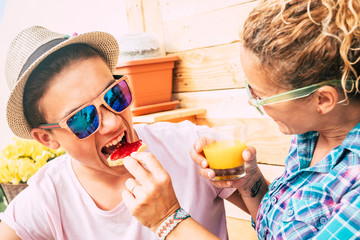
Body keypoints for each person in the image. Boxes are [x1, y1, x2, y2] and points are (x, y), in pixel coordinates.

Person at [122, 0, 360, 239]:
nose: (252, 101)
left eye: (261, 95)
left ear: (323, 100)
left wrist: (168, 220)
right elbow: (280, 229)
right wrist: (250, 183)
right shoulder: (311, 136)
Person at [0, 26, 245, 240]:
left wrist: (251, 183)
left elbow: (277, 223)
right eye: (83, 119)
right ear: (47, 138)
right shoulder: (47, 199)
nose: (113, 124)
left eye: (115, 95)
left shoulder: (191, 147)